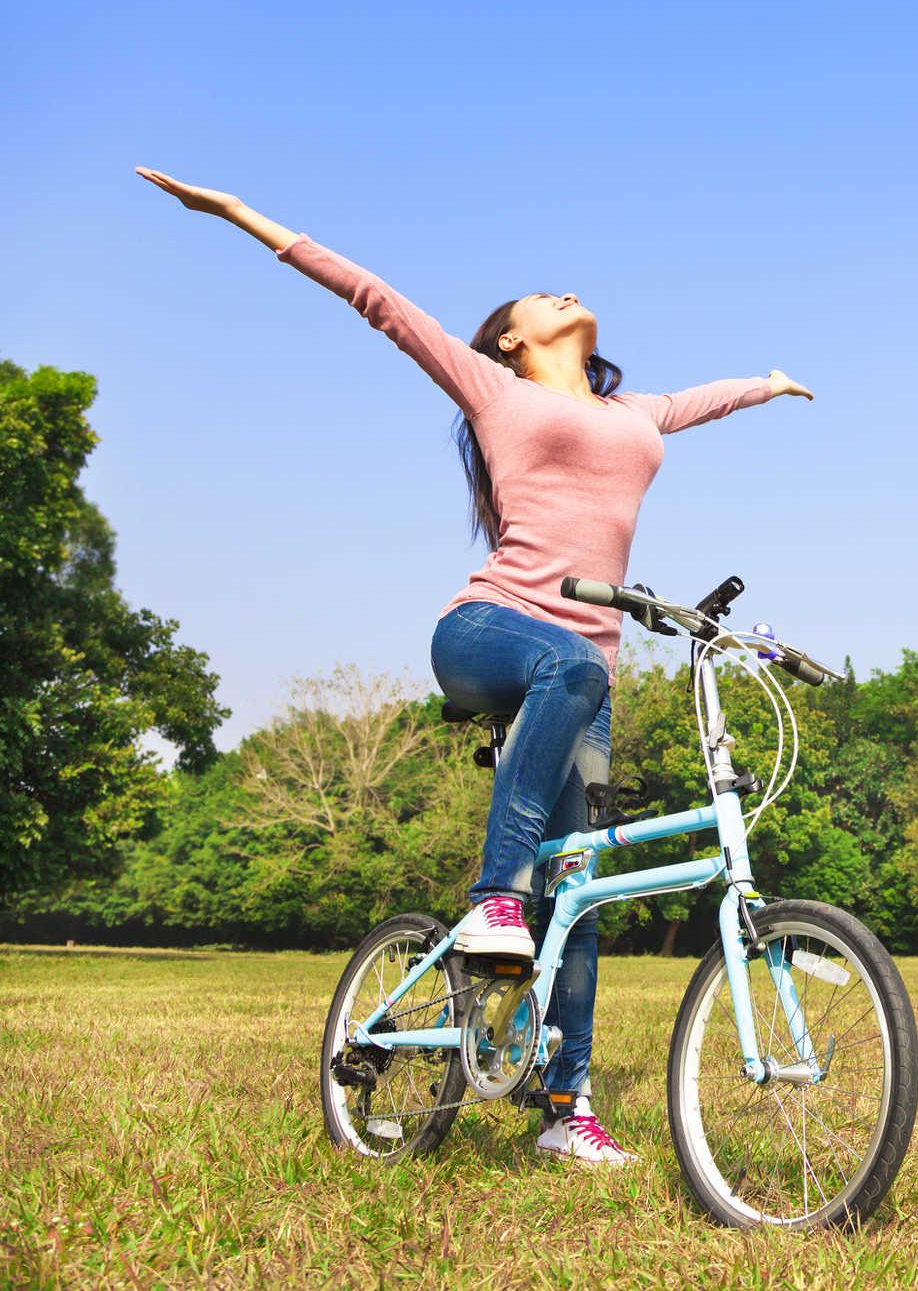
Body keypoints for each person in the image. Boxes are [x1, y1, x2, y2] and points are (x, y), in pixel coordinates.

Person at [136, 167, 814, 1165]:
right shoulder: (492, 385)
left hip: (580, 683)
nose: (568, 291)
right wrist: (239, 214)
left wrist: (766, 383)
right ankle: (494, 895)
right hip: (488, 634)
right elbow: (374, 299)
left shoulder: (639, 415)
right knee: (570, 691)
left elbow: (701, 401)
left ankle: (562, 1108)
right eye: (548, 294)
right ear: (511, 338)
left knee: (579, 888)